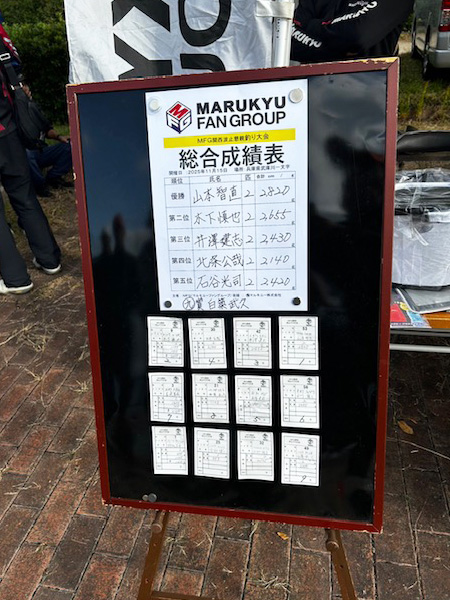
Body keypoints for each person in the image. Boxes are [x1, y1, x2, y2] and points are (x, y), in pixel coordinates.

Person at [0, 21, 61, 294]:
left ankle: (16, 279)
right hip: (9, 129)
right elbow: (15, 66)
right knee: (24, 196)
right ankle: (49, 259)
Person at [291, 0, 414, 64]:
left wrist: (311, 25)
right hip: (312, 93)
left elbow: (357, 36)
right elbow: (288, 38)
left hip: (368, 93)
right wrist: (343, 51)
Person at [22, 83, 73, 197]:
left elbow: (47, 129)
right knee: (27, 154)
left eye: (28, 91)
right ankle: (40, 186)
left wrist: (59, 137)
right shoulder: (13, 113)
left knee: (70, 145)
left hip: (41, 149)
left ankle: (54, 177)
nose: (27, 93)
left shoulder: (33, 108)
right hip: (27, 152)